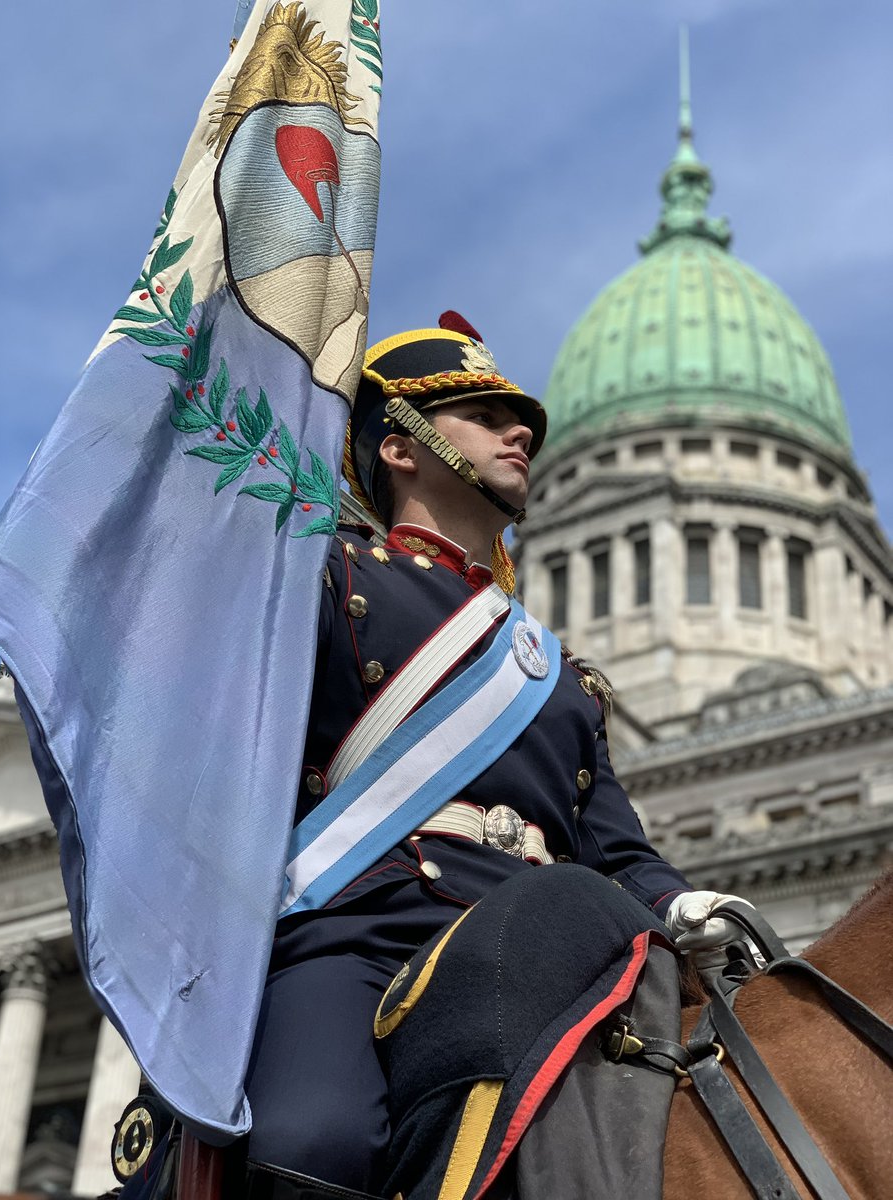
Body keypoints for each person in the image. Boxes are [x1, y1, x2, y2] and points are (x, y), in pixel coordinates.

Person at [241, 312, 752, 1199]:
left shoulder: (562, 682)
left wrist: (685, 902)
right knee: (308, 1138)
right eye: (483, 413)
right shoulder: (329, 581)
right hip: (366, 929)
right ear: (402, 445)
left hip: (551, 950)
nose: (522, 431)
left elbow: (615, 849)